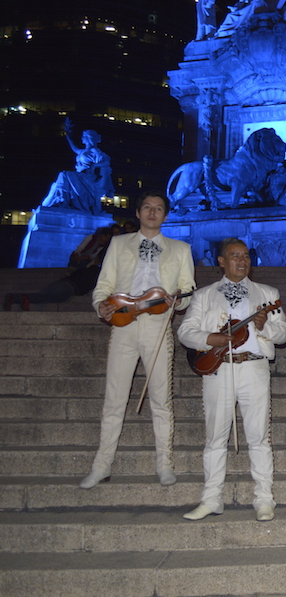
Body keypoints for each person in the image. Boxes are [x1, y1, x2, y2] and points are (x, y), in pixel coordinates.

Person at [79, 191, 195, 489]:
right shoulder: (118, 244)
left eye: (158, 209)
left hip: (157, 327)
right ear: (139, 212)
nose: (153, 212)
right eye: (147, 207)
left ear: (165, 215)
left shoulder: (181, 249)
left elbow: (188, 290)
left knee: (161, 399)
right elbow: (103, 284)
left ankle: (165, 464)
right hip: (123, 324)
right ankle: (101, 465)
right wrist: (101, 305)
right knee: (114, 399)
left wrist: (176, 301)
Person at [178, 238, 286, 522]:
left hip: (254, 367)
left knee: (259, 436)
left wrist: (265, 328)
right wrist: (209, 338)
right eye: (234, 256)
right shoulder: (204, 295)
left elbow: (284, 333)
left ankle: (264, 499)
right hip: (219, 368)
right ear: (221, 261)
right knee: (215, 436)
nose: (242, 260)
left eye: (245, 256)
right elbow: (185, 332)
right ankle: (211, 498)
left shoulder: (267, 293)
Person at [4, 227, 113, 311]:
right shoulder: (97, 273)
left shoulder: (87, 269)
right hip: (70, 288)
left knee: (43, 295)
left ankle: (14, 298)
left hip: (64, 281)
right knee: (46, 297)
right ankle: (23, 297)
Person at [41, 120, 112, 214]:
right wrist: (69, 138)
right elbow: (75, 149)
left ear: (88, 138)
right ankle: (61, 200)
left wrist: (94, 165)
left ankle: (62, 200)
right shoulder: (82, 151)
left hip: (88, 177)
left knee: (64, 174)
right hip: (79, 176)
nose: (82, 138)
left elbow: (106, 162)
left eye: (84, 136)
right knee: (63, 175)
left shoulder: (94, 150)